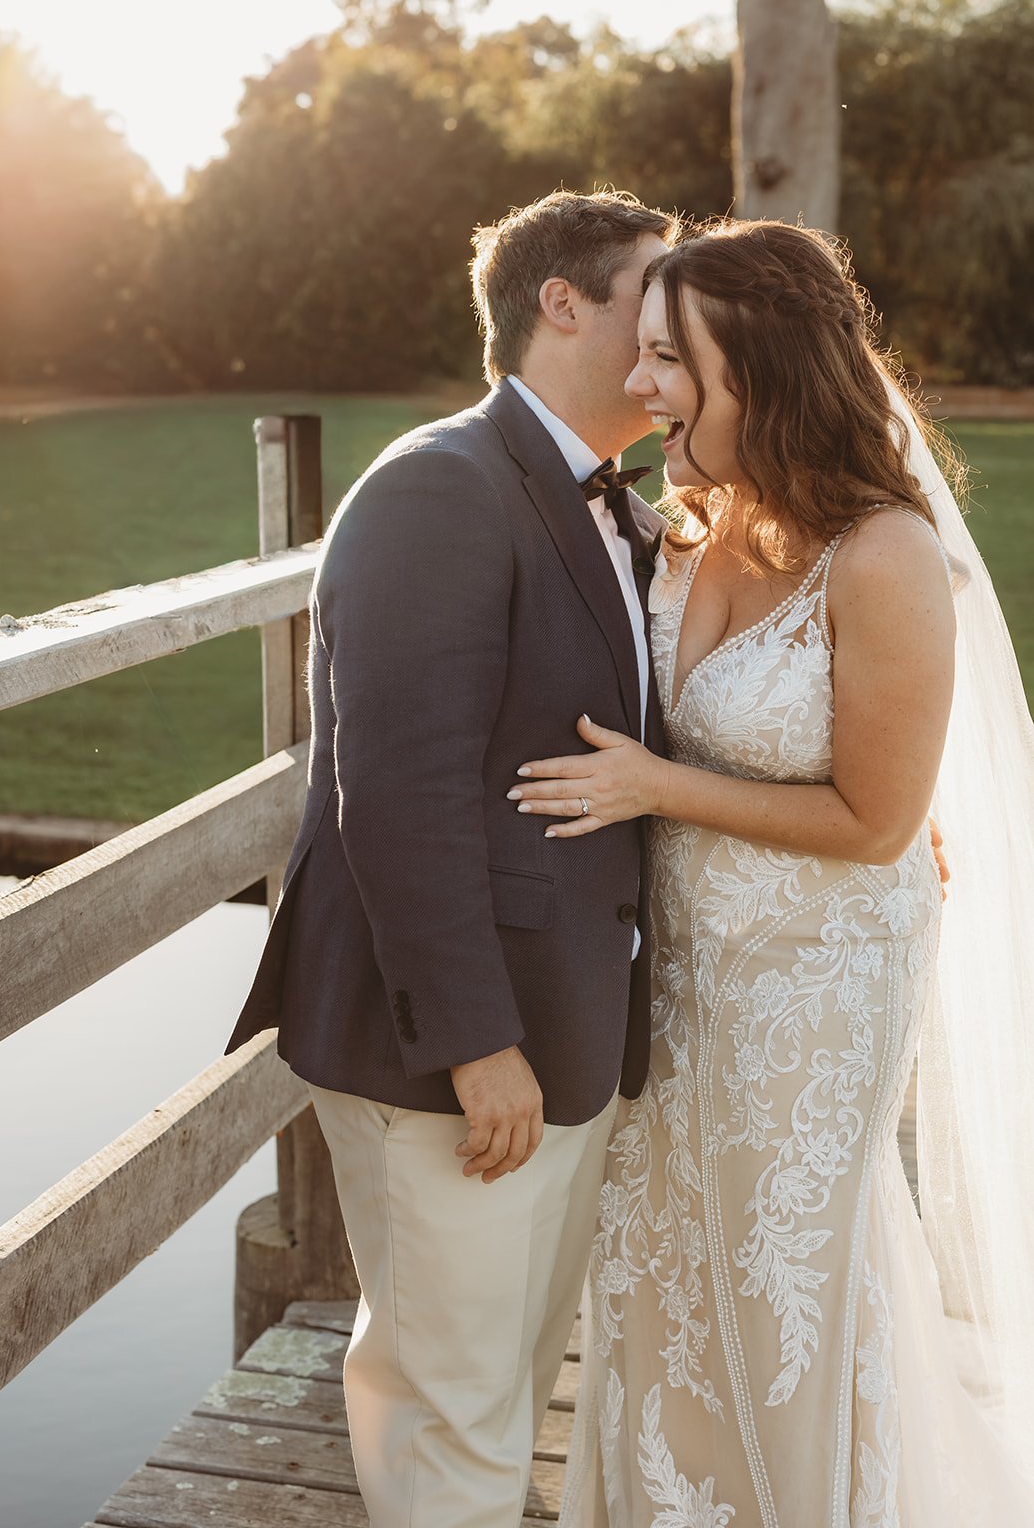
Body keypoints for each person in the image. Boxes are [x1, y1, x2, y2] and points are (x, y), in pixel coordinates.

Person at [508, 220, 1034, 1526]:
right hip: (682, 975)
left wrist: (650, 784)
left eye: (674, 362)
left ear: (768, 366)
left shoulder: (890, 557)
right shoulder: (687, 531)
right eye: (643, 358)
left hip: (820, 985)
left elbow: (874, 818)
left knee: (775, 1276)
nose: (645, 389)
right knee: (656, 1259)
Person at [223, 189, 679, 1528]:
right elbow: (399, 794)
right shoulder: (439, 489)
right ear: (562, 305)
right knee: (451, 1422)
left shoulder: (612, 505)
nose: (671, 341)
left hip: (567, 1040)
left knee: (502, 1399)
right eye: (651, 304)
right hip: (456, 1063)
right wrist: (478, 1044)